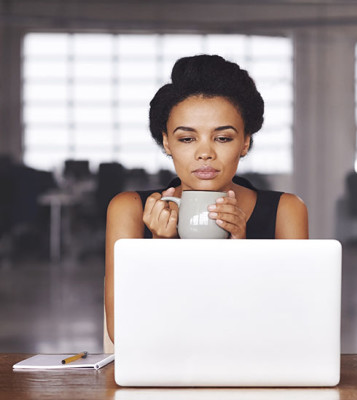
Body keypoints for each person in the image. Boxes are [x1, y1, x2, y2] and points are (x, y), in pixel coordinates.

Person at [104, 55, 309, 343]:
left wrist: (240, 249)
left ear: (245, 143)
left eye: (222, 138)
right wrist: (161, 247)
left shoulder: (286, 210)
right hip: (162, 373)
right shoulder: (129, 209)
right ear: (166, 143)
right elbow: (123, 333)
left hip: (254, 370)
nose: (205, 153)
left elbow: (293, 326)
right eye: (187, 139)